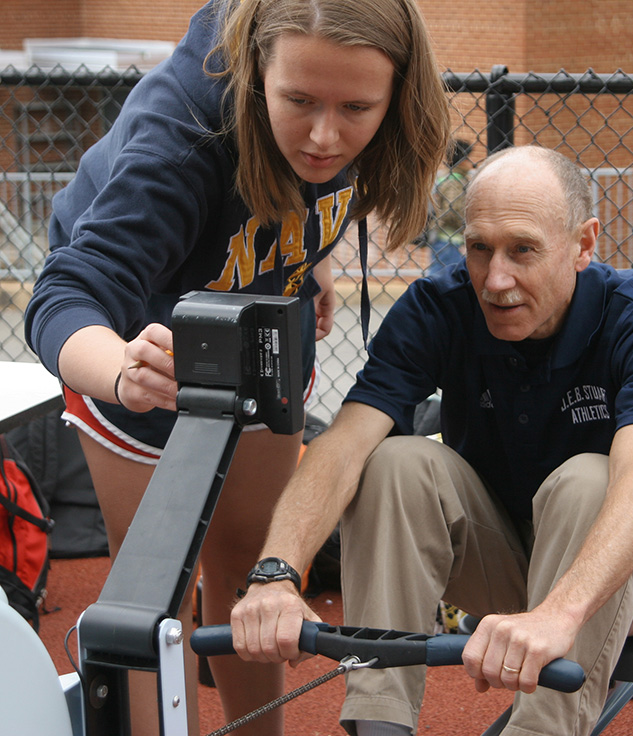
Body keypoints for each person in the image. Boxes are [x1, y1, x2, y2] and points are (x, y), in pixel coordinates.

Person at [24, 0, 449, 734]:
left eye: (355, 107)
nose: (325, 136)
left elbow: (317, 179)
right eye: (298, 102)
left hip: (262, 330)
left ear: (399, 90)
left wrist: (305, 258)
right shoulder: (184, 135)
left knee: (251, 559)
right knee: (152, 590)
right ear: (256, 71)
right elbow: (65, 293)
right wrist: (121, 371)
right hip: (140, 344)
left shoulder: (388, 120)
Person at [231, 145, 633, 736]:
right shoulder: (440, 307)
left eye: (524, 250)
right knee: (394, 461)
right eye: (479, 248)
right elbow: (343, 445)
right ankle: (378, 722)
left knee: (590, 477)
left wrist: (557, 616)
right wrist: (276, 574)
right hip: (508, 557)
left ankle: (541, 729)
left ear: (583, 245)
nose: (496, 279)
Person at [426, 138, 473, 274]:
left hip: (444, 238)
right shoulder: (455, 181)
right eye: (468, 158)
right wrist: (466, 229)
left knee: (440, 275)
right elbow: (450, 212)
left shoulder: (443, 177)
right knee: (445, 277)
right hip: (450, 238)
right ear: (463, 160)